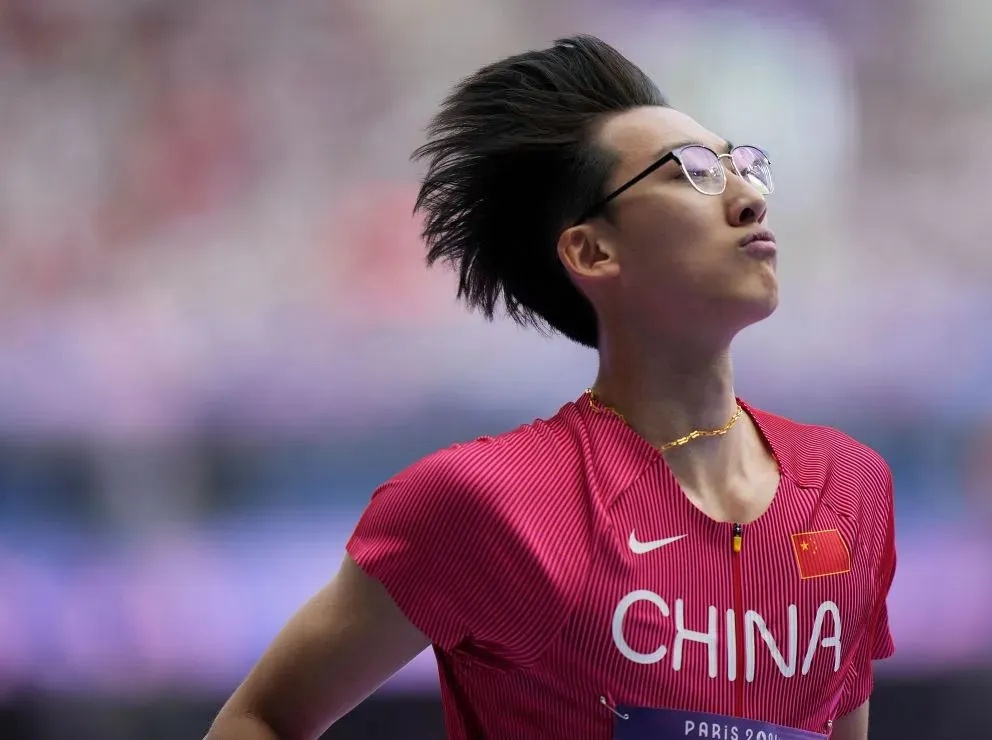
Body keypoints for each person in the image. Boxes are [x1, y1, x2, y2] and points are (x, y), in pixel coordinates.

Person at [206, 35, 896, 740]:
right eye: (692, 173)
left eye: (742, 167)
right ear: (592, 251)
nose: (749, 199)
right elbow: (263, 719)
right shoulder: (486, 504)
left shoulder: (851, 486)